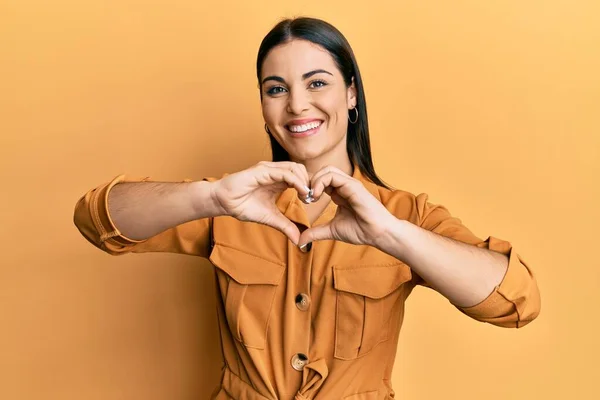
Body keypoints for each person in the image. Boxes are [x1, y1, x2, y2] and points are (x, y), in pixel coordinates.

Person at [73, 17, 541, 400]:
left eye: (317, 83)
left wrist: (392, 235)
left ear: (351, 94)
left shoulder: (406, 215)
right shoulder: (230, 203)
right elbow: (96, 220)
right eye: (275, 89)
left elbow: (515, 302)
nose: (297, 104)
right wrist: (209, 197)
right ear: (263, 106)